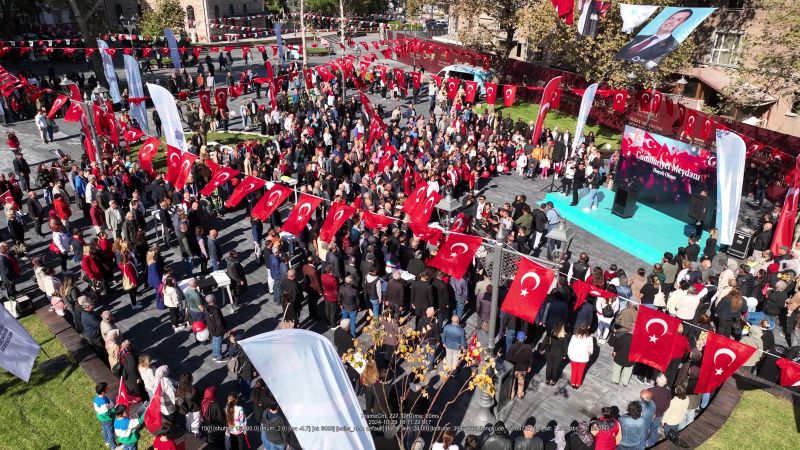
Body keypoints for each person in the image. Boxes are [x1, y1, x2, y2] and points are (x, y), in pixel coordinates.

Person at [615, 9, 695, 68]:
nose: (671, 22)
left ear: (682, 23)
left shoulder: (671, 44)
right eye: (671, 18)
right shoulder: (640, 37)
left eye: (678, 20)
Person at [506, 330, 533, 399]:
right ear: (525, 338)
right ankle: (520, 394)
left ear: (517, 338)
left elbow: (508, 358)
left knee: (512, 382)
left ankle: (511, 395)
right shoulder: (528, 347)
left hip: (514, 368)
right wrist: (529, 366)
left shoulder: (512, 347)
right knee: (521, 381)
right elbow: (530, 358)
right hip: (523, 368)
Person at [567, 324, 594, 389]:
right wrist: (589, 353)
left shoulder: (574, 337)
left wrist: (569, 354)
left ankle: (573, 383)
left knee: (574, 371)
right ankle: (578, 384)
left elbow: (570, 346)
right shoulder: (590, 338)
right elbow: (591, 350)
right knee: (580, 372)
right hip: (583, 358)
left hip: (574, 357)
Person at [175, 373, 201, 437]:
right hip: (194, 410)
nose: (193, 378)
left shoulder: (179, 388)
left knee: (188, 422)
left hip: (185, 409)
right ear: (189, 381)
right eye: (191, 377)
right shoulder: (194, 390)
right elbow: (199, 398)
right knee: (195, 425)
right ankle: (196, 436)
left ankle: (189, 431)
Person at [93, 382, 117, 449]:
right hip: (107, 419)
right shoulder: (103, 402)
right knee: (110, 432)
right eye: (107, 388)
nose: (108, 389)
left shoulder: (97, 397)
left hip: (101, 418)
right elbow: (107, 413)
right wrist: (115, 411)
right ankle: (113, 446)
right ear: (103, 392)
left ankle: (107, 441)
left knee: (105, 428)